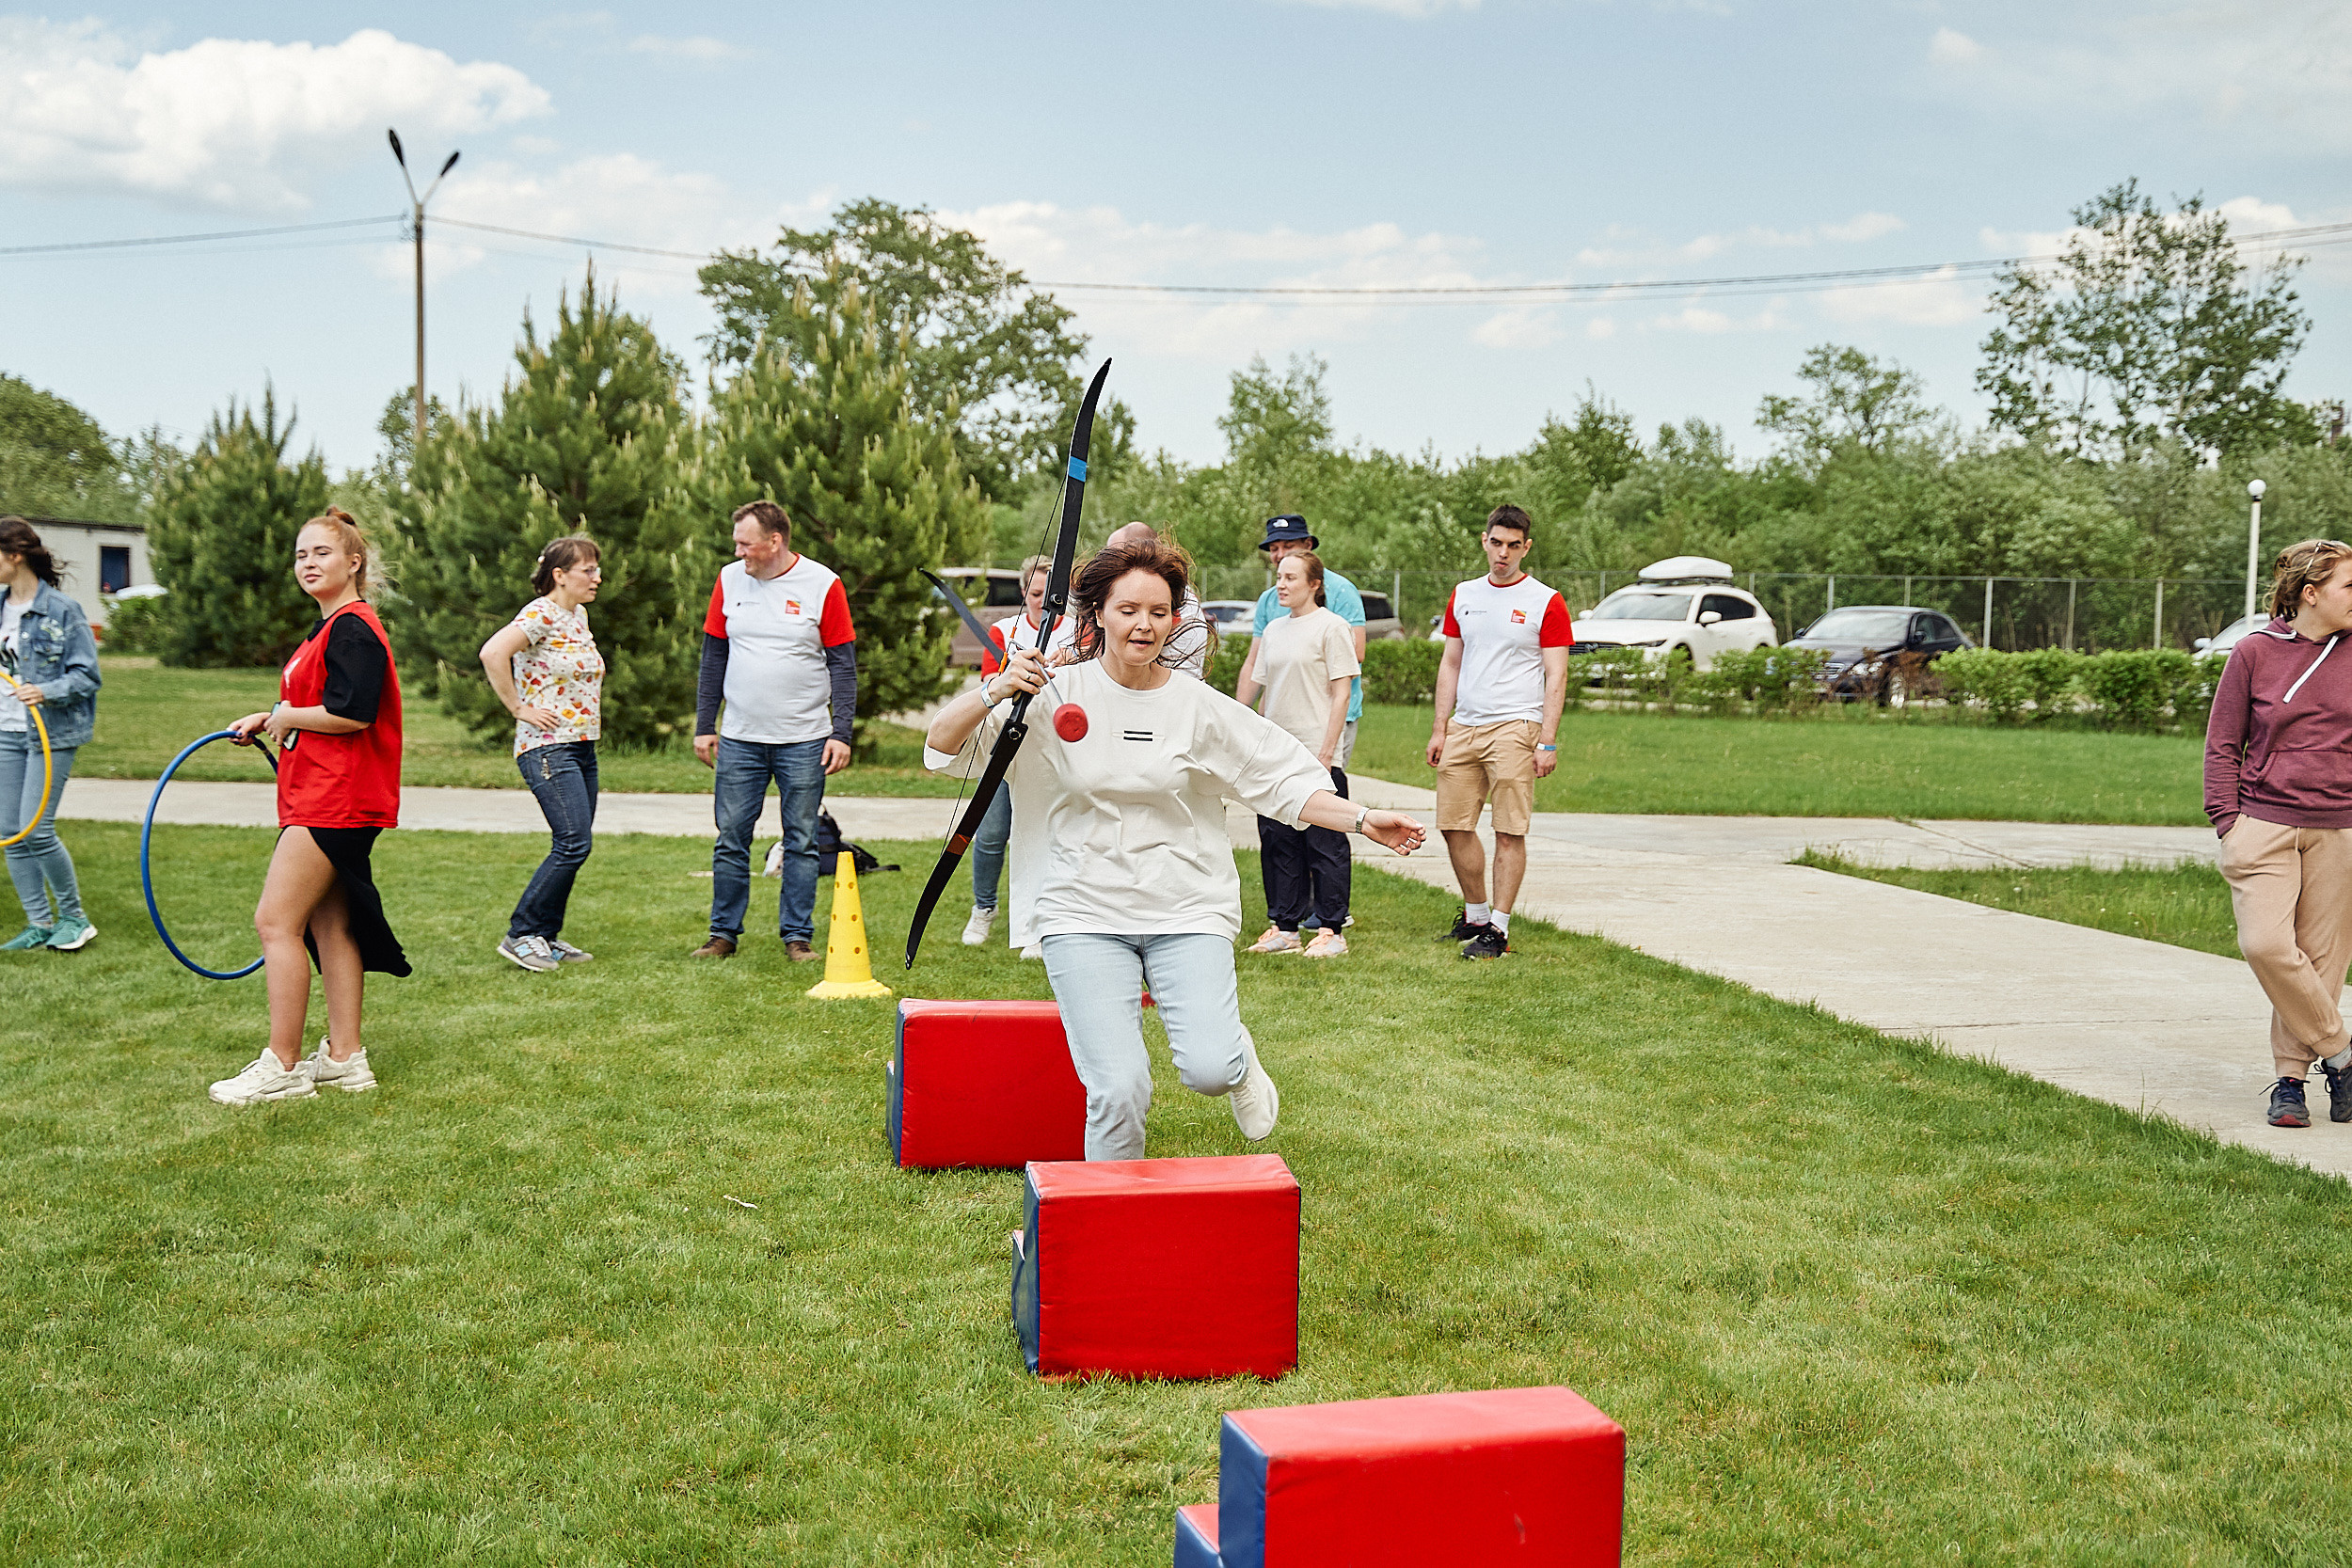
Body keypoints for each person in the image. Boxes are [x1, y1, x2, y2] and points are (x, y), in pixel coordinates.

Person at [923, 532, 1424, 1161]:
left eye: (1159, 612)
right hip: (1080, 909)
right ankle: (1106, 1236)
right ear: (1098, 613)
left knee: (1208, 1068)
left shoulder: (1196, 705)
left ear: (1176, 619)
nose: (1144, 624)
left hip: (1184, 905)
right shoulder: (1052, 695)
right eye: (1129, 609)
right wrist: (997, 689)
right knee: (1118, 1087)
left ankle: (1237, 1060)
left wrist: (1362, 816)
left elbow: (1280, 776)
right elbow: (941, 751)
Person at [210, 508, 409, 1106]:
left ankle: (284, 1067)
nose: (308, 564)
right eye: (301, 555)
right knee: (328, 925)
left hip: (334, 800)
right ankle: (346, 1060)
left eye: (321, 553)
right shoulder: (330, 629)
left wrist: (287, 716)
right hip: (328, 796)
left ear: (353, 563)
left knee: (275, 922)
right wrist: (269, 715)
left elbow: (351, 713)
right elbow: (314, 701)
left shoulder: (352, 627)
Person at [2206, 537, 2352, 1130]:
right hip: (2260, 822)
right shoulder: (2253, 652)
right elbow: (2222, 743)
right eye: (2350, 586)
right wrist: (2227, 821)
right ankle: (2343, 1056)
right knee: (2266, 945)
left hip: (2339, 826)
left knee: (2321, 961)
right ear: (2310, 593)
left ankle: (2291, 1084)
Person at [692, 500, 856, 961]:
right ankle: (722, 935)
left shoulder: (823, 585)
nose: (738, 550)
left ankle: (797, 938)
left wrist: (840, 732)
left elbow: (843, 666)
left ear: (774, 541)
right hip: (741, 737)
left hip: (805, 738)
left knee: (801, 840)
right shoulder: (729, 579)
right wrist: (707, 725)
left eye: (746, 543)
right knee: (731, 838)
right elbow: (714, 657)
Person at [1424, 504, 1572, 960]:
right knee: (1453, 824)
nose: (1503, 554)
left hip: (1516, 724)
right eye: (1496, 543)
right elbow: (1451, 662)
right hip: (1464, 725)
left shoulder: (1546, 600)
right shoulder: (1464, 594)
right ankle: (1476, 914)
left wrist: (1547, 740)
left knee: (1508, 830)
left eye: (1513, 546)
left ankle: (1500, 931)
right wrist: (1440, 728)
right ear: (1484, 541)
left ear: (1526, 547)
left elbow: (1557, 674)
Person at [479, 534, 605, 973]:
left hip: (581, 745)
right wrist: (519, 707)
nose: (597, 577)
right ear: (559, 575)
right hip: (547, 747)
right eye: (587, 570)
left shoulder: (578, 616)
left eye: (596, 569)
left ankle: (545, 936)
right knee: (573, 842)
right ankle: (521, 934)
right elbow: (492, 652)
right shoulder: (540, 614)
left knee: (576, 844)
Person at [1235, 550, 1360, 958]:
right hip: (1276, 757)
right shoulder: (1273, 629)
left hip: (1317, 754)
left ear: (1314, 584)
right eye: (1279, 576)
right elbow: (1266, 691)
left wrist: (1327, 750)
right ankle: (1285, 927)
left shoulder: (1332, 627)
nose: (1281, 584)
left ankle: (1331, 929)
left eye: (1291, 577)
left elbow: (1342, 692)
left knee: (1324, 843)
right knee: (1278, 842)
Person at [0, 516, 100, 953]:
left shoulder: (62, 610)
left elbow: (87, 675)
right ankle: (39, 923)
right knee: (10, 831)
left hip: (50, 732)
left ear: (14, 556)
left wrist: (47, 690)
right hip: (5, 731)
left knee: (36, 829)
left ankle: (74, 918)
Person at [965, 554, 1061, 950]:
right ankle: (983, 909)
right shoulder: (1004, 631)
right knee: (989, 835)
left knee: (1045, 837)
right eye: (1036, 593)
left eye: (1051, 594)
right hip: (1007, 744)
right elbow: (991, 685)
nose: (1042, 601)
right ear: (1024, 592)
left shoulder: (1076, 633)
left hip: (1054, 749)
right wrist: (1012, 675)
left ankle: (1040, 923)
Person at [1236, 515, 1366, 765]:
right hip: (1282, 725)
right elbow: (1256, 664)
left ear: (1307, 546)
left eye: (1288, 546)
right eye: (1274, 549)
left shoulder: (1341, 592)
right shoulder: (1269, 601)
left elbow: (1355, 653)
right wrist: (1240, 717)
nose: (1281, 554)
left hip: (1325, 720)